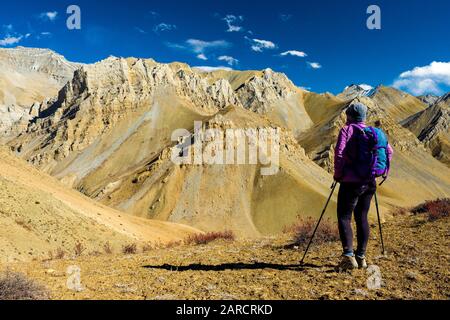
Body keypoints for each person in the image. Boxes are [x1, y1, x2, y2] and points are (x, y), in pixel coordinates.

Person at [333, 102, 393, 270]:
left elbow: (339, 153)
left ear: (350, 116)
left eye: (347, 115)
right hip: (369, 182)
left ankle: (348, 257)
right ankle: (361, 257)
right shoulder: (374, 133)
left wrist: (338, 175)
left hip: (351, 182)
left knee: (344, 217)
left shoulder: (347, 130)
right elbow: (389, 152)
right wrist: (378, 171)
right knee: (362, 217)